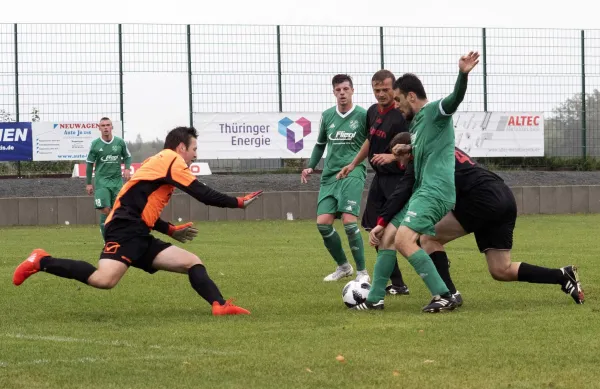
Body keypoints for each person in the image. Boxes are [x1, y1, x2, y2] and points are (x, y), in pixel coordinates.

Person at [13, 126, 263, 316]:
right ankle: (41, 260)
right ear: (181, 148)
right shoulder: (171, 160)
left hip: (137, 229)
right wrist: (238, 203)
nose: (195, 156)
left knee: (191, 262)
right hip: (124, 228)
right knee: (104, 280)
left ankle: (219, 305)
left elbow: (143, 208)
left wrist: (170, 229)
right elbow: (203, 194)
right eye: (194, 149)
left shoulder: (160, 162)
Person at [364, 134, 585, 310]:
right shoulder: (439, 147)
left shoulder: (422, 157)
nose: (402, 165)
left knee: (428, 237)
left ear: (407, 150)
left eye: (400, 159)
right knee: (501, 270)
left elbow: (404, 190)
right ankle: (562, 275)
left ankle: (448, 294)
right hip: (503, 196)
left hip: (481, 199)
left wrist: (382, 222)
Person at [356, 52, 480, 313]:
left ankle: (443, 295)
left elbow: (454, 99)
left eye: (399, 99)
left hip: (436, 192)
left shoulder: (435, 112)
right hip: (421, 191)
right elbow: (411, 173)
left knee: (403, 240)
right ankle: (374, 299)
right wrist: (407, 152)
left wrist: (463, 74)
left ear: (411, 96)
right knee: (387, 236)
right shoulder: (415, 127)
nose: (397, 105)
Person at [336, 69, 411, 294]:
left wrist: (394, 155)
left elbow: (415, 146)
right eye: (376, 90)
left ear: (394, 88)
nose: (380, 94)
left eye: (385, 90)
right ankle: (398, 284)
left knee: (408, 232)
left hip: (400, 179)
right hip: (380, 179)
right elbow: (370, 140)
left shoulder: (402, 114)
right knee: (374, 230)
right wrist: (353, 164)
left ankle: (435, 256)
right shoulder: (372, 112)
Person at [301, 74, 369, 282]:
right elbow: (320, 144)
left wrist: (355, 164)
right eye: (338, 90)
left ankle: (362, 273)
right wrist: (310, 166)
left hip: (353, 171)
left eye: (346, 89)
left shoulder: (362, 115)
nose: (342, 93)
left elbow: (370, 142)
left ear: (352, 91)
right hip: (330, 176)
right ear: (333, 92)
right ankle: (343, 267)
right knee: (323, 223)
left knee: (349, 222)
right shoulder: (328, 116)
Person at [86, 117, 132, 241]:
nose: (106, 127)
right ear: (99, 128)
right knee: (104, 208)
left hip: (117, 182)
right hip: (101, 181)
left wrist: (127, 168)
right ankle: (109, 235)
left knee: (118, 209)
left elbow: (127, 156)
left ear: (112, 127)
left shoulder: (120, 142)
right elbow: (89, 164)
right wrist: (88, 183)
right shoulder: (95, 144)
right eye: (103, 125)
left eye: (108, 125)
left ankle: (112, 238)